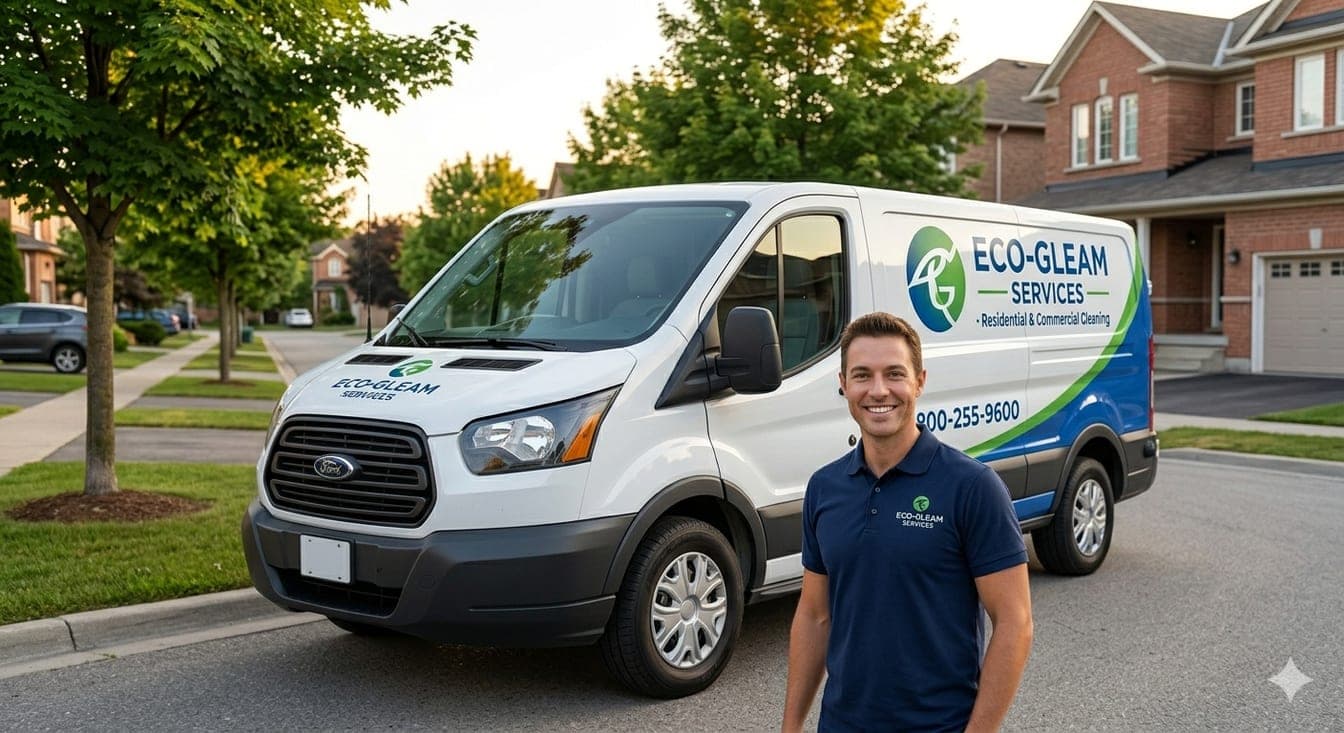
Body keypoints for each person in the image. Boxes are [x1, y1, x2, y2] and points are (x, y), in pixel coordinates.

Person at [782, 312, 1033, 732]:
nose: (878, 390)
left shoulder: (972, 487)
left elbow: (1015, 622)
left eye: (894, 374)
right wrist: (790, 727)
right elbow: (814, 616)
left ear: (919, 380)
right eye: (862, 375)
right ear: (843, 383)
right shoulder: (825, 488)